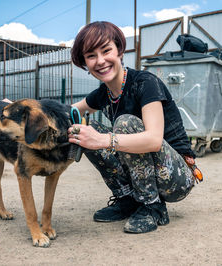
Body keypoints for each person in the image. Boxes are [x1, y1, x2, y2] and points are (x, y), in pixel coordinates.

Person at [68, 21, 198, 234]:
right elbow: (67, 111)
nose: (100, 61)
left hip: (176, 177)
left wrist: (103, 140)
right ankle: (127, 199)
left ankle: (152, 206)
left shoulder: (145, 82)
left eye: (106, 50)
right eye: (91, 55)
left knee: (125, 124)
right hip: (145, 172)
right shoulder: (104, 93)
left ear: (119, 50)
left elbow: (154, 140)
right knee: (85, 130)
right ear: (85, 62)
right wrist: (23, 109)